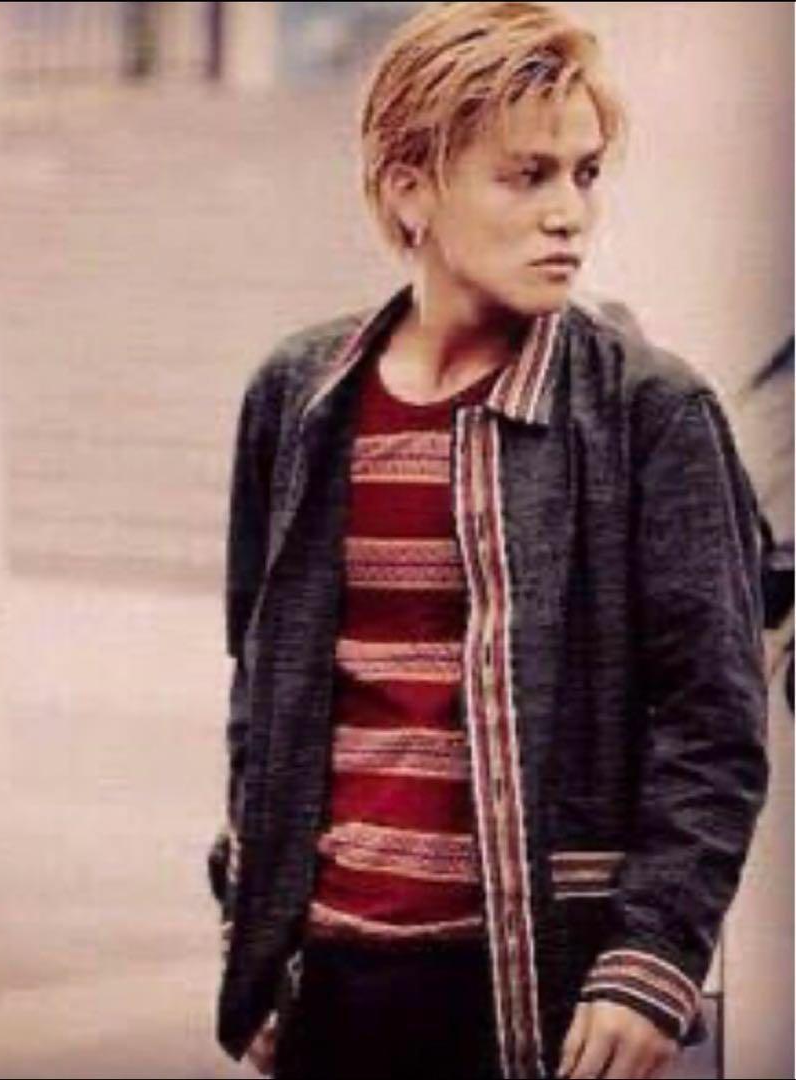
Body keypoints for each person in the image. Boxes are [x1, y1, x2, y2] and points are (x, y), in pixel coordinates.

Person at [207, 3, 770, 1078]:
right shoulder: (298, 397)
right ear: (409, 188)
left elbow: (714, 721)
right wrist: (254, 929)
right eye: (525, 176)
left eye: (584, 174)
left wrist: (651, 958)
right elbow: (261, 690)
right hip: (328, 979)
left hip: (542, 990)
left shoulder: (651, 412)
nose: (569, 214)